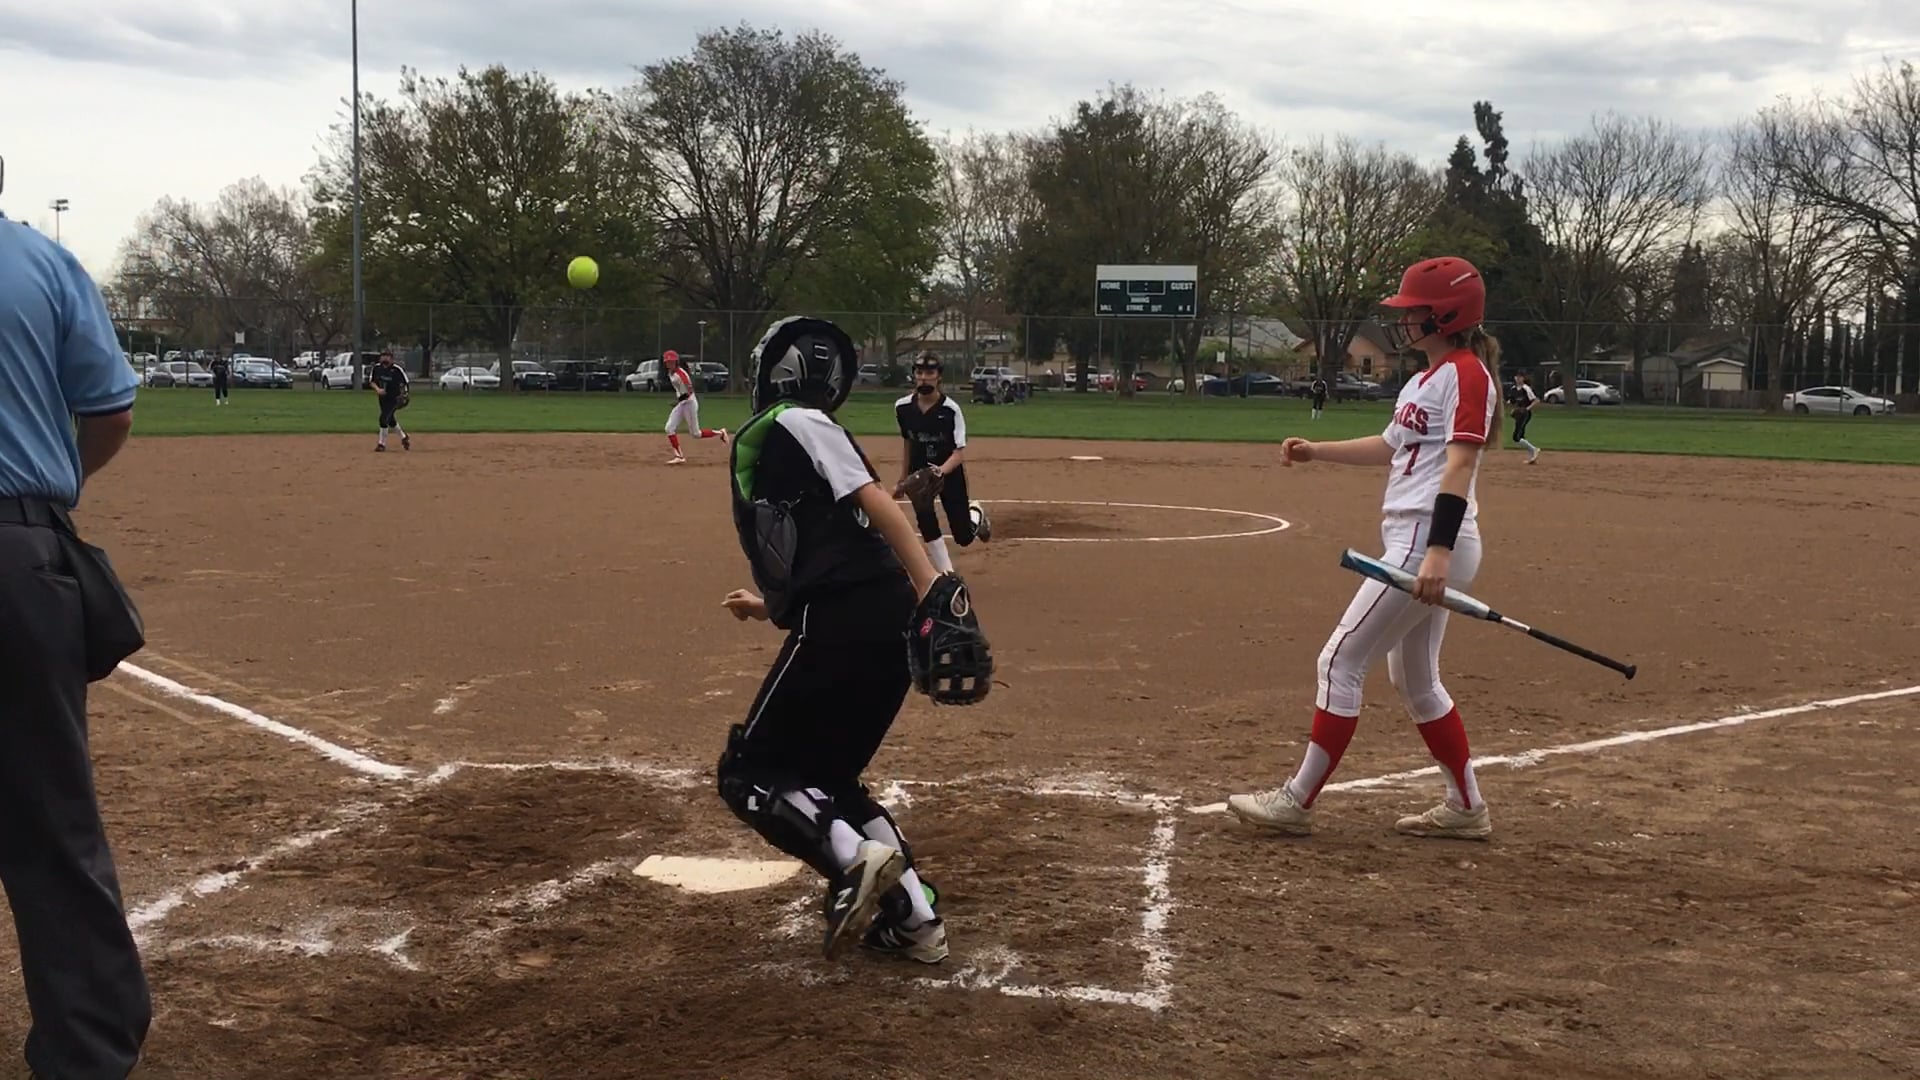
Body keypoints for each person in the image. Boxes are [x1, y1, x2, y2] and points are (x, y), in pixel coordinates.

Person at [716, 316, 993, 966]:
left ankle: (852, 857)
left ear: (779, 372)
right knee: (831, 779)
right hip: (872, 615)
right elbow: (831, 544)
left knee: (748, 771)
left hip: (851, 614)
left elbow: (876, 503)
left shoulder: (795, 421)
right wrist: (767, 606)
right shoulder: (796, 438)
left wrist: (934, 588)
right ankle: (915, 922)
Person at [1226, 255, 1503, 841]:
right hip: (1416, 539)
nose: (1403, 322)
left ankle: (1296, 801)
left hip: (1428, 538)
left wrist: (1437, 553)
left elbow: (1460, 466)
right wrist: (1316, 451)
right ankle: (1466, 807)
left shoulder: (1466, 373)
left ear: (1446, 315)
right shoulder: (1424, 379)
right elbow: (1389, 446)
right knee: (1417, 679)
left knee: (1340, 661)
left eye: (1414, 311)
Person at [0, 162, 154, 1079]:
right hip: (16, 556)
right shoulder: (42, 263)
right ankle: (87, 1052)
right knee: (51, 816)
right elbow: (109, 411)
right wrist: (47, 497)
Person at [893, 353, 991, 574]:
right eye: (919, 372)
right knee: (926, 523)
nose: (924, 377)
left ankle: (976, 513)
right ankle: (947, 573)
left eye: (930, 372)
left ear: (939, 377)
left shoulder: (950, 410)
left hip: (949, 473)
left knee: (963, 537)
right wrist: (903, 478)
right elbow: (908, 441)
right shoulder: (902, 408)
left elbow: (958, 453)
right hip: (919, 473)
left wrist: (939, 472)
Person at [662, 349, 727, 464]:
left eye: (671, 361)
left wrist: (677, 401)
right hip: (682, 403)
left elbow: (689, 391)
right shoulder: (671, 373)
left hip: (689, 403)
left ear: (676, 362)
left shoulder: (681, 374)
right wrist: (678, 401)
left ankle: (721, 433)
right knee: (669, 428)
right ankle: (679, 456)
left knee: (696, 434)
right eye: (667, 362)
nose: (669, 364)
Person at [369, 349, 410, 452]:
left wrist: (404, 394)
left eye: (387, 356)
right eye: (383, 356)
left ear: (392, 359)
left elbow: (405, 383)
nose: (385, 358)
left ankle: (381, 444)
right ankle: (404, 437)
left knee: (383, 419)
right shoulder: (377, 368)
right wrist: (378, 389)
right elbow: (372, 382)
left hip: (395, 398)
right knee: (390, 420)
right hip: (382, 398)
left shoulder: (397, 370)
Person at [1508, 372, 1541, 464]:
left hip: (1525, 414)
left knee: (1516, 437)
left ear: (1523, 378)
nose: (1518, 378)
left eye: (1520, 377)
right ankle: (1532, 456)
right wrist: (1513, 409)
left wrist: (1527, 409)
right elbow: (1512, 402)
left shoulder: (1526, 388)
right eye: (1516, 377)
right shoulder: (1513, 389)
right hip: (1519, 414)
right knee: (1521, 435)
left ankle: (1534, 449)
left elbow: (1536, 400)